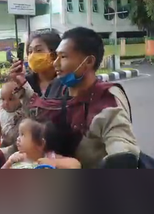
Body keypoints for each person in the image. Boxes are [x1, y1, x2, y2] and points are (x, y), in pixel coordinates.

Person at [10, 27, 140, 168]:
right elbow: (42, 113)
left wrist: (120, 158)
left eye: (64, 57)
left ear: (89, 61)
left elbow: (121, 144)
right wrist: (21, 83)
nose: (55, 63)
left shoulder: (106, 97)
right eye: (56, 56)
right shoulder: (58, 87)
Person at [0, 29, 62, 168]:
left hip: (54, 146)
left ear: (54, 53)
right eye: (30, 51)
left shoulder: (63, 82)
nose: (32, 56)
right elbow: (6, 105)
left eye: (38, 50)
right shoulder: (25, 80)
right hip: (23, 145)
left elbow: (46, 112)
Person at [1, 119, 81, 169]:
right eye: (19, 134)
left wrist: (54, 162)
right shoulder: (17, 158)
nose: (18, 138)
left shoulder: (49, 157)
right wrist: (9, 162)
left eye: (23, 135)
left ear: (41, 144)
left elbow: (76, 165)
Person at [0, 81, 25, 148]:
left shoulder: (22, 113)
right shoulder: (0, 110)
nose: (6, 103)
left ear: (20, 98)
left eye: (10, 99)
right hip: (4, 143)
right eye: (3, 99)